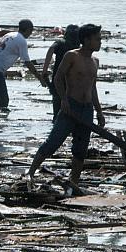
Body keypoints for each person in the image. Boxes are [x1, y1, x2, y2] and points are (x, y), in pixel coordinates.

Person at [27, 24, 104, 187]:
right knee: (53, 142)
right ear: (86, 40)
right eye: (97, 39)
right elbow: (58, 78)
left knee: (81, 149)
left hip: (87, 108)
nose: (100, 42)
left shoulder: (95, 61)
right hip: (71, 106)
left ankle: (73, 182)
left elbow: (93, 87)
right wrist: (64, 100)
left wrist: (99, 111)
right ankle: (30, 173)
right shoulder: (71, 56)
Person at [0, 19, 46, 109]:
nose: (31, 33)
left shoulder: (9, 34)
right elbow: (27, 63)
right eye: (31, 31)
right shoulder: (21, 40)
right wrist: (39, 78)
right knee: (4, 100)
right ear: (28, 30)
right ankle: (0, 120)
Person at [42, 24, 80, 121]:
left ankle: (57, 126)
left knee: (58, 106)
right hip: (73, 80)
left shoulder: (61, 42)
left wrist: (45, 70)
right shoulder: (78, 45)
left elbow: (51, 50)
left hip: (58, 78)